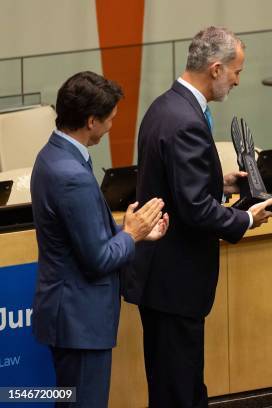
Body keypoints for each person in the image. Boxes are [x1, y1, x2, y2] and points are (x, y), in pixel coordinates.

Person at [122, 27, 272, 407]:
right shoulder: (186, 120)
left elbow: (175, 184)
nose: (239, 81)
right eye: (237, 71)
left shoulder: (165, 106)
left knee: (179, 384)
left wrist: (218, 181)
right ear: (217, 69)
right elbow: (193, 209)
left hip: (163, 279)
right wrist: (247, 220)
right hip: (175, 280)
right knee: (179, 390)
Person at [30, 71, 169, 408]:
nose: (111, 126)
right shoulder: (71, 175)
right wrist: (132, 234)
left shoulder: (53, 154)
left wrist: (130, 232)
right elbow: (97, 260)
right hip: (79, 321)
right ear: (91, 121)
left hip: (70, 315)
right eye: (109, 119)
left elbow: (82, 235)